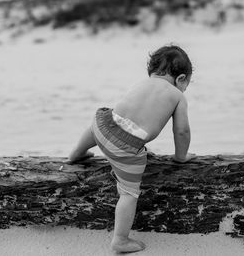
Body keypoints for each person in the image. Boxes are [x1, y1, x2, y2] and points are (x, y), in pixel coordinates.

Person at [67, 44, 196, 253]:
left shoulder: (143, 83)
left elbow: (126, 118)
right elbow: (182, 132)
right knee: (128, 194)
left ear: (153, 72)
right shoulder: (177, 95)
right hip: (125, 150)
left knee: (102, 123)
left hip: (102, 126)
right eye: (187, 84)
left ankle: (76, 153)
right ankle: (120, 239)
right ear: (181, 79)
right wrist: (180, 157)